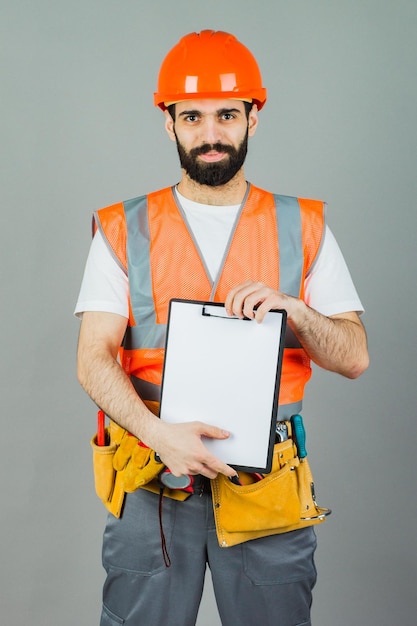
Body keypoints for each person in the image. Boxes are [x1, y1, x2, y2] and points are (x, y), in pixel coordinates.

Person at [75, 30, 368, 626]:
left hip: (266, 484)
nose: (211, 134)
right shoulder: (122, 228)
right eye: (193, 117)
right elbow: (93, 358)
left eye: (227, 115)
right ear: (169, 122)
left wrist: (298, 310)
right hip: (154, 484)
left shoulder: (302, 225)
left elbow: (354, 355)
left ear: (253, 118)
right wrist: (160, 434)